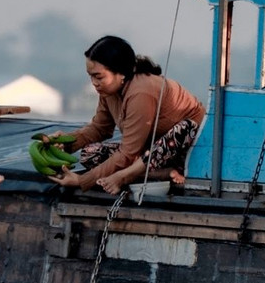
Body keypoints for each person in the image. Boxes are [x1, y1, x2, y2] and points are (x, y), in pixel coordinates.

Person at [46, 35, 206, 194]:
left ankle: (123, 177)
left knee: (186, 127)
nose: (94, 83)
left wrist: (82, 181)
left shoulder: (141, 92)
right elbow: (99, 129)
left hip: (186, 149)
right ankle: (163, 173)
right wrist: (67, 142)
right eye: (91, 76)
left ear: (121, 73)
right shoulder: (108, 91)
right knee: (90, 154)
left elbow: (128, 152)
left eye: (98, 77)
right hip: (149, 153)